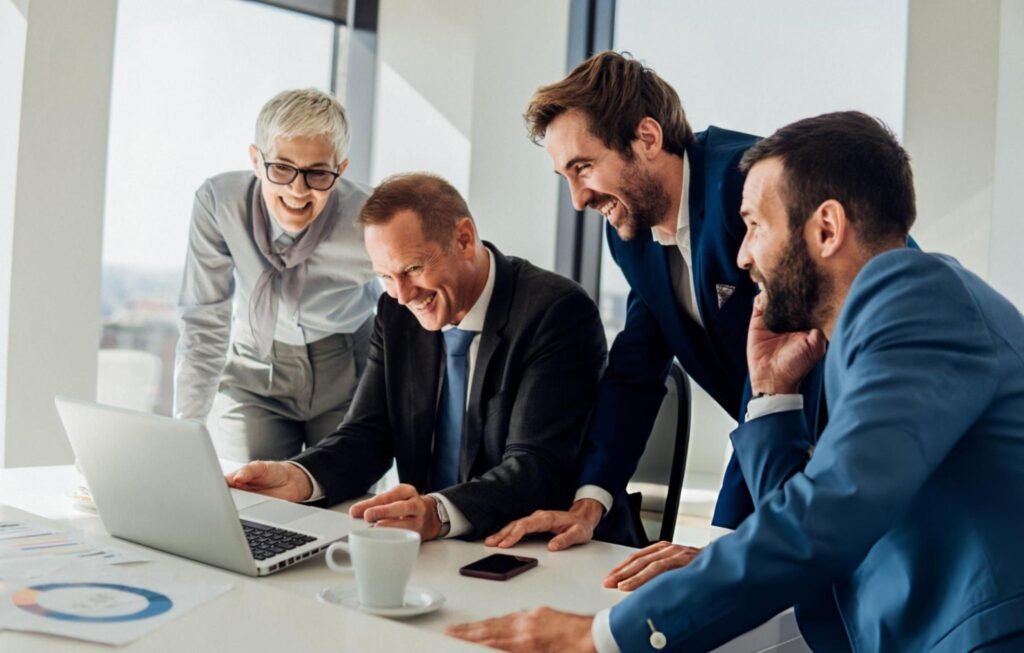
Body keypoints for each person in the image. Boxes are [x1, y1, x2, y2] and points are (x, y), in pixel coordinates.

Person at [447, 111, 1024, 652]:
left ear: (826, 228)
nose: (742, 257)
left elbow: (827, 516)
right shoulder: (869, 332)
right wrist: (773, 396)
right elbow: (808, 514)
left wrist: (603, 636)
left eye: (753, 226)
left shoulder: (912, 297)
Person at [487, 51, 817, 550]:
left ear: (647, 137)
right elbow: (635, 372)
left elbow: (776, 379)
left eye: (585, 168)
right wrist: (589, 504)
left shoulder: (745, 186)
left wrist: (724, 535)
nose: (578, 199)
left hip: (854, 436)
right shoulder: (631, 235)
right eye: (566, 178)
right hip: (781, 440)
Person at [225, 173, 607, 542]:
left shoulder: (556, 312)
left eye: (412, 269)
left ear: (464, 239)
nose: (403, 295)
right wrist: (299, 476)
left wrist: (437, 513)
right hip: (427, 548)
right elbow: (367, 435)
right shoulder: (395, 313)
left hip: (532, 549)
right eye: (386, 277)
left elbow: (535, 468)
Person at [174, 88, 380, 463]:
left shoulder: (372, 218)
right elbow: (204, 320)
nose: (297, 190)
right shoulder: (219, 204)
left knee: (337, 500)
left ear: (340, 170)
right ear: (256, 159)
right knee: (246, 494)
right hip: (254, 367)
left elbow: (411, 302)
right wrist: (187, 428)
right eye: (281, 168)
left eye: (318, 173)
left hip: (348, 370)